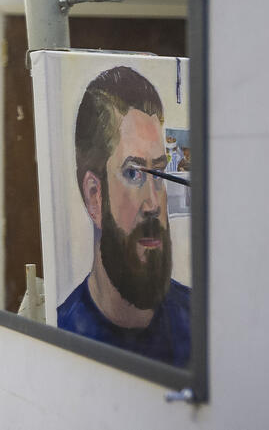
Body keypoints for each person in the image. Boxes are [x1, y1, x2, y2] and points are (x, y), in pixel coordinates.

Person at [56, 66, 190, 368]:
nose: (153, 203)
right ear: (94, 195)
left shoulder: (199, 320)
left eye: (158, 172)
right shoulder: (63, 336)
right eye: (133, 173)